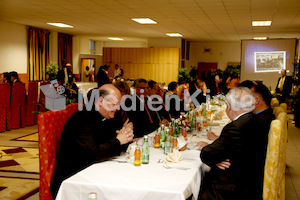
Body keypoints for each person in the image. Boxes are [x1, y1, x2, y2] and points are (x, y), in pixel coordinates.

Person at [50, 84, 134, 199]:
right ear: (100, 101)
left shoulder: (105, 118)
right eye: (115, 104)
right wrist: (118, 141)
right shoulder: (82, 120)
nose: (118, 108)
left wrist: (124, 137)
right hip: (72, 181)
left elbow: (109, 144)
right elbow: (93, 153)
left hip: (93, 172)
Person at [199, 87, 266, 200]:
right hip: (251, 180)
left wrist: (215, 157)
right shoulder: (255, 119)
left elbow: (206, 154)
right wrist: (218, 157)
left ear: (228, 106)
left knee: (199, 185)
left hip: (234, 188)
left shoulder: (235, 127)